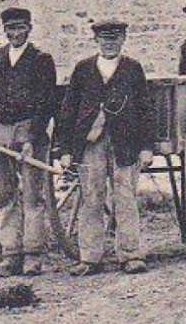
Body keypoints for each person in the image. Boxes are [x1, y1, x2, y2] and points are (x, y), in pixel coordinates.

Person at [55, 21, 155, 275]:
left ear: (123, 40)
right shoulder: (83, 69)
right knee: (91, 198)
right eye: (104, 39)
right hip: (91, 144)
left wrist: (146, 147)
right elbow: (68, 111)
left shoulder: (132, 69)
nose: (109, 43)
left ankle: (130, 254)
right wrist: (65, 149)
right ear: (96, 41)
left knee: (125, 198)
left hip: (125, 144)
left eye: (115, 38)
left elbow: (145, 109)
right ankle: (90, 257)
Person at [0, 7, 57, 277]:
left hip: (28, 130)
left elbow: (47, 102)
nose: (15, 33)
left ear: (29, 28)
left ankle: (33, 255)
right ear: (4, 30)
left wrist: (32, 137)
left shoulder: (41, 59)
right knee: (5, 193)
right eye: (10, 29)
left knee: (33, 195)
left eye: (20, 28)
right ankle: (10, 254)